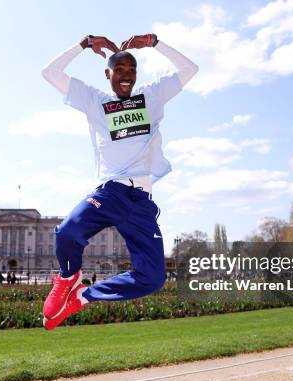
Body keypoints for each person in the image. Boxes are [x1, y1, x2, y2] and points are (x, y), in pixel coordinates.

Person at [41, 33, 198, 330]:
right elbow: (50, 73)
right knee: (67, 233)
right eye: (120, 70)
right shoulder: (94, 101)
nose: (126, 75)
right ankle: (67, 277)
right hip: (111, 192)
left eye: (131, 70)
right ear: (108, 74)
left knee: (152, 278)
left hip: (141, 202)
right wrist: (84, 44)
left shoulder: (151, 97)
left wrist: (154, 42)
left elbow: (190, 70)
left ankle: (83, 297)